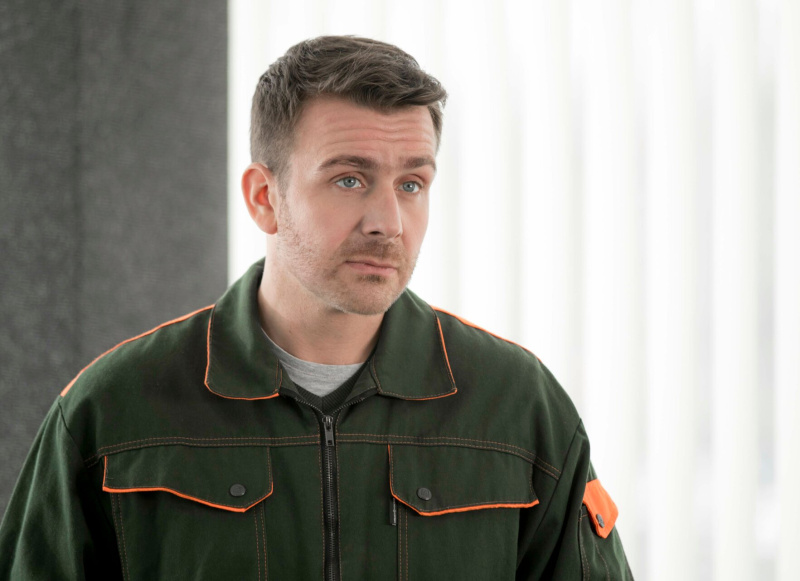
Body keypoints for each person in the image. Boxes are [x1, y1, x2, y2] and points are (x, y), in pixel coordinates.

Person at [0, 36, 633, 580]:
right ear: (264, 197)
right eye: (349, 179)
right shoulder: (114, 410)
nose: (388, 222)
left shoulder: (517, 406)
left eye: (411, 184)